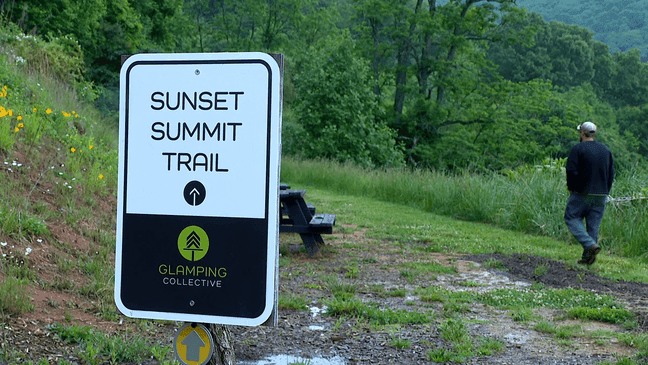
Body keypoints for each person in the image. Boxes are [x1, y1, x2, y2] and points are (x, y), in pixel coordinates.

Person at [564, 121, 614, 265]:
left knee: (571, 217)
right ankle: (588, 260)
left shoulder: (578, 149)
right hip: (601, 194)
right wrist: (606, 191)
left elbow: (571, 171)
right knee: (593, 226)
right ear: (594, 133)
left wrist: (571, 188)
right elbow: (611, 174)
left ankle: (589, 244)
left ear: (582, 133)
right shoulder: (605, 150)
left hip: (582, 192)